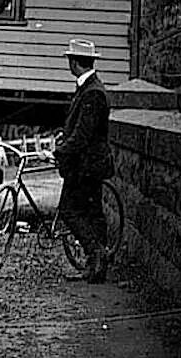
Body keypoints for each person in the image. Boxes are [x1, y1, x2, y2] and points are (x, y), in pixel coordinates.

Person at [53, 39, 114, 284]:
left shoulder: (93, 93)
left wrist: (60, 151)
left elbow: (83, 135)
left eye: (70, 59)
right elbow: (78, 129)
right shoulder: (89, 88)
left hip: (86, 166)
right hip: (89, 164)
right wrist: (63, 136)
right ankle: (96, 269)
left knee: (69, 210)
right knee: (93, 213)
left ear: (74, 62)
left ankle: (96, 252)